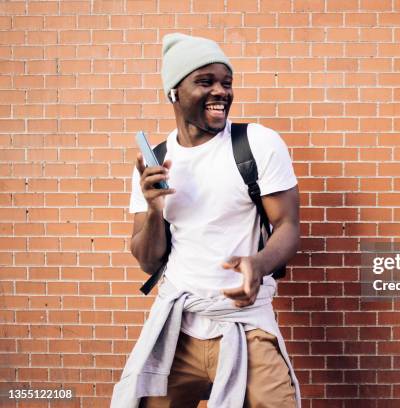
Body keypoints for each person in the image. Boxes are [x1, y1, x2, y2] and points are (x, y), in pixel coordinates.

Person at [111, 33, 301, 408]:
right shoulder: (156, 163)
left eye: (226, 83)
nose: (221, 92)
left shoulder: (257, 144)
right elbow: (148, 260)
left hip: (245, 325)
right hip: (178, 327)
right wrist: (153, 208)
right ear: (173, 93)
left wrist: (258, 264)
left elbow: (288, 226)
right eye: (205, 82)